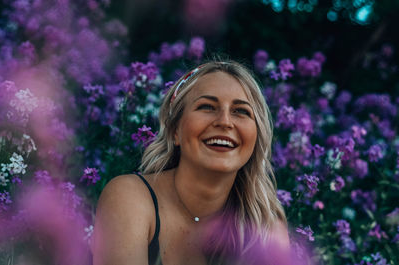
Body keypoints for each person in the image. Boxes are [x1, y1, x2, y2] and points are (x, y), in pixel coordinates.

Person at [92, 61, 289, 265]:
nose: (224, 121)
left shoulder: (267, 228)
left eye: (241, 111)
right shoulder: (130, 197)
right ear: (175, 131)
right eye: (207, 107)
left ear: (256, 137)